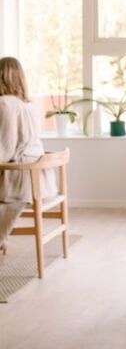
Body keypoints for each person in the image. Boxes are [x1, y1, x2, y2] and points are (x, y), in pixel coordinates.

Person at [0, 57, 56, 252]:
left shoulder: (5, 104)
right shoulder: (27, 105)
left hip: (21, 176)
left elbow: (5, 150)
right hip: (38, 176)